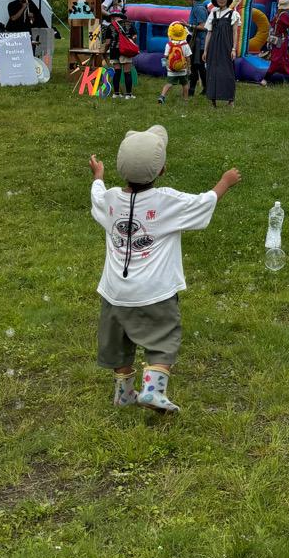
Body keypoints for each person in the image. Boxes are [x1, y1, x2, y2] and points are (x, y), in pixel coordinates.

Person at [88, 124, 241, 412]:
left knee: (118, 343)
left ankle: (124, 393)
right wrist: (225, 181)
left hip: (114, 293)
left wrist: (98, 176)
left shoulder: (110, 200)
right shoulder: (167, 201)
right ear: (161, 170)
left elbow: (96, 196)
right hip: (155, 293)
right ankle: (153, 391)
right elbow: (204, 203)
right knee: (162, 339)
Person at [205, 0, 240, 107]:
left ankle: (230, 99)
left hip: (226, 46)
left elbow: (235, 33)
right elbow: (209, 32)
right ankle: (213, 99)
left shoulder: (233, 14)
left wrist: (234, 49)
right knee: (212, 71)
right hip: (213, 47)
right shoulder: (213, 13)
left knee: (227, 72)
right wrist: (205, 50)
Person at [262, 0, 289, 86]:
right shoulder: (285, 14)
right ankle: (265, 80)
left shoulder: (277, 15)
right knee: (277, 60)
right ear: (288, 6)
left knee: (287, 59)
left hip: (277, 41)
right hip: (281, 42)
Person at [106, 6, 138, 99]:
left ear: (113, 17)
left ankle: (116, 93)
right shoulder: (129, 23)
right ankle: (128, 95)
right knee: (127, 72)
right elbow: (135, 36)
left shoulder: (110, 26)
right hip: (125, 50)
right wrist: (129, 41)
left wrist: (103, 51)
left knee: (117, 72)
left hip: (114, 50)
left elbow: (108, 42)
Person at [184, 0, 209, 98]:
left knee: (199, 66)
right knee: (195, 66)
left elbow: (203, 26)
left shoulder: (198, 9)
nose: (186, 0)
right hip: (196, 41)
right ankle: (194, 89)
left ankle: (205, 88)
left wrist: (188, 26)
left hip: (200, 42)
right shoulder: (195, 7)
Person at [158, 22, 191, 106]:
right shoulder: (185, 44)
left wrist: (166, 65)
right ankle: (186, 100)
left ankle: (162, 96)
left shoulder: (169, 44)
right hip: (182, 68)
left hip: (171, 69)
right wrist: (189, 68)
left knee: (169, 83)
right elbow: (188, 57)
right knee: (185, 84)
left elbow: (165, 56)